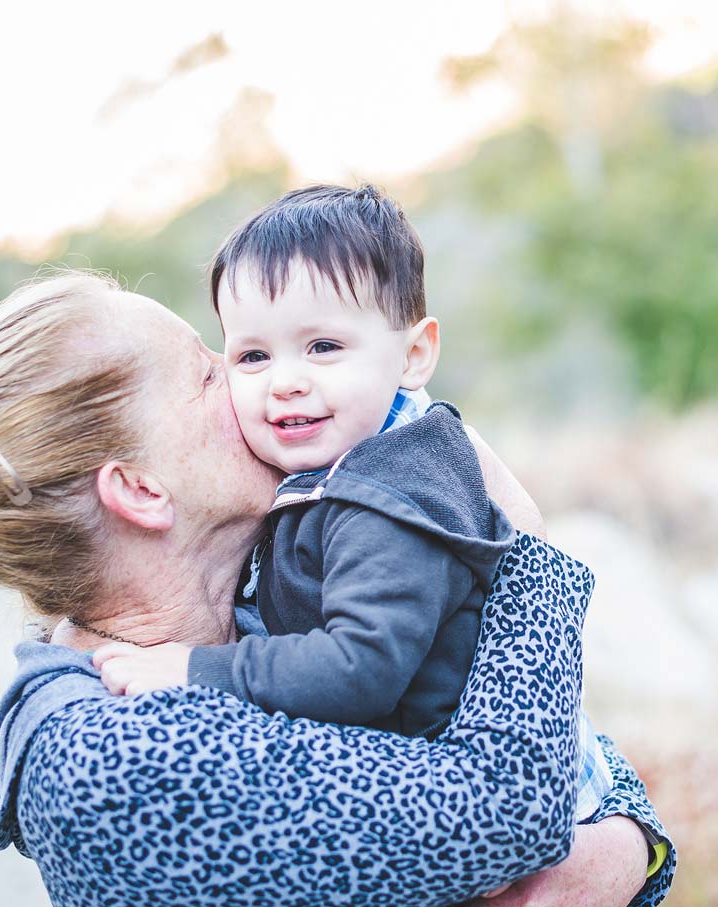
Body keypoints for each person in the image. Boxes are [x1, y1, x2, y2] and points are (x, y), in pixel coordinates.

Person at [0, 273, 674, 907]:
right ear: (140, 490)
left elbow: (543, 739)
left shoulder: (277, 582)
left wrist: (628, 847)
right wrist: (532, 558)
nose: (262, 386)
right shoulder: (113, 759)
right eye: (209, 371)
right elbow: (503, 807)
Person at [93, 184, 619, 823]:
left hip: (479, 805)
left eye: (324, 347)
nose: (287, 380)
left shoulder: (386, 496)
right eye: (253, 356)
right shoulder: (335, 459)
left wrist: (195, 668)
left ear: (414, 355)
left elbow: (359, 666)